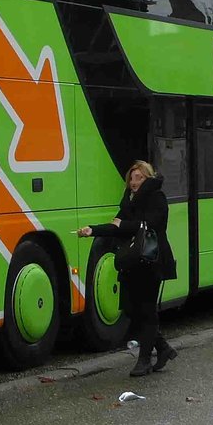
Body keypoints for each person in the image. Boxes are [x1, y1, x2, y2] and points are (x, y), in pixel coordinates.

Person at [77, 160, 178, 377]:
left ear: (148, 178)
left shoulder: (156, 197)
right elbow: (116, 226)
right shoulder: (128, 200)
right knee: (132, 309)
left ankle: (144, 360)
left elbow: (150, 225)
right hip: (133, 261)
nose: (133, 183)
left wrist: (123, 225)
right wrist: (92, 230)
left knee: (147, 310)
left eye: (139, 178)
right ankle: (163, 348)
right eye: (131, 178)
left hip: (152, 260)